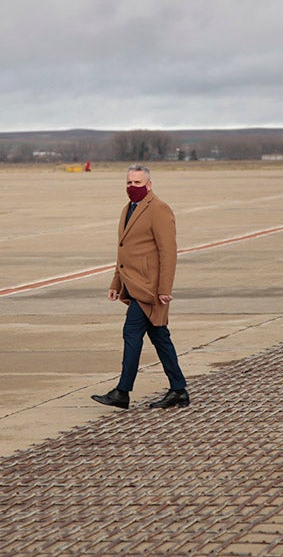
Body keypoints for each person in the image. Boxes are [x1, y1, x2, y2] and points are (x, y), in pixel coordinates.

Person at [92, 165, 189, 410]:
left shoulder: (159, 209)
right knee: (160, 337)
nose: (131, 188)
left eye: (137, 183)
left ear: (149, 184)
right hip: (133, 284)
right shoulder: (128, 209)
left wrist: (165, 288)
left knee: (132, 333)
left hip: (149, 288)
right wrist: (116, 282)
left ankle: (122, 392)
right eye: (128, 183)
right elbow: (123, 251)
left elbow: (168, 252)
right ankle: (178, 390)